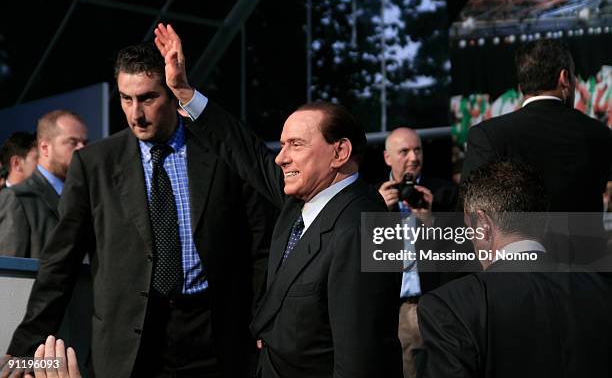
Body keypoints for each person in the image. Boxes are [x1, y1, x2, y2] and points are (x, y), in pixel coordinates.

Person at [5, 42, 275, 378]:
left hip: (215, 337)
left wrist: (261, 320)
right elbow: (61, 260)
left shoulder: (218, 154)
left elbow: (260, 246)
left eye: (147, 98)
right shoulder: (95, 164)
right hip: (128, 341)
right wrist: (23, 349)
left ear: (172, 94)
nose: (136, 113)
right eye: (126, 98)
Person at [153, 23, 401, 378]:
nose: (282, 158)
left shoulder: (364, 227)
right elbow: (247, 152)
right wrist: (183, 91)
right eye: (282, 145)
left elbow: (362, 358)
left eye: (296, 145)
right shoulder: (302, 201)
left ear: (340, 152)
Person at [418, 160, 612, 378]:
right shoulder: (601, 288)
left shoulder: (452, 307)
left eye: (468, 228)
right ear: (545, 221)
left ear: (483, 225)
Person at [462, 39, 612, 264]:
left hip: (518, 272)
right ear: (564, 79)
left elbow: (470, 209)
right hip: (588, 271)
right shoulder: (599, 133)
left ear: (522, 85)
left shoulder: (488, 135)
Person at [378, 127, 459, 378]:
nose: (413, 157)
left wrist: (433, 220)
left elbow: (465, 250)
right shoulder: (373, 196)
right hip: (396, 310)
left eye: (418, 150)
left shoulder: (446, 193)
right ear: (387, 157)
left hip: (437, 303)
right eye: (404, 151)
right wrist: (377, 212)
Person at [0, 112, 87, 258]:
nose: (81, 149)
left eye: (85, 143)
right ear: (45, 147)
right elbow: (10, 274)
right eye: (72, 142)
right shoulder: (17, 198)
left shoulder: (84, 197)